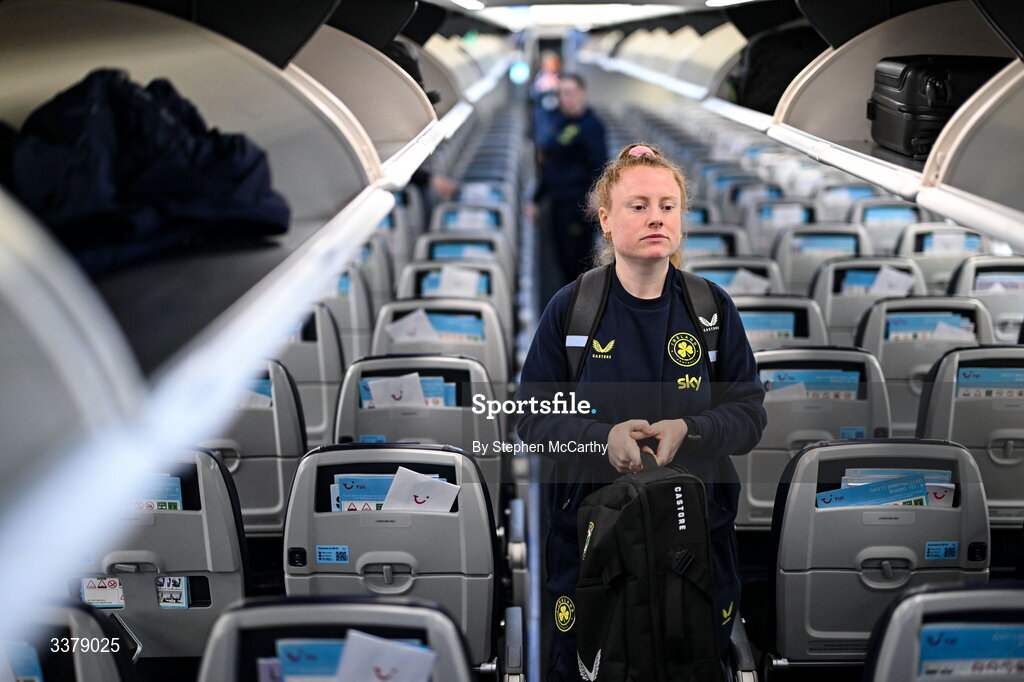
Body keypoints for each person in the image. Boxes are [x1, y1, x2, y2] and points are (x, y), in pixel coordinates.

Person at [516, 143, 767, 681]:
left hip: (693, 543)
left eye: (668, 205)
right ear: (606, 220)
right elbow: (532, 417)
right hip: (594, 545)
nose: (657, 216)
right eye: (638, 205)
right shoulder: (573, 309)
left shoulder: (712, 310)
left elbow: (748, 414)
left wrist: (691, 430)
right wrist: (599, 437)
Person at [531, 73, 607, 287]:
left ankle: (580, 311)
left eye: (570, 93)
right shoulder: (558, 122)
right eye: (562, 94)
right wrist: (536, 199)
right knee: (561, 259)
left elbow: (601, 165)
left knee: (579, 263)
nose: (566, 98)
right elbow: (550, 165)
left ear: (582, 94)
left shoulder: (591, 125)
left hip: (579, 206)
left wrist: (596, 195)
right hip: (558, 201)